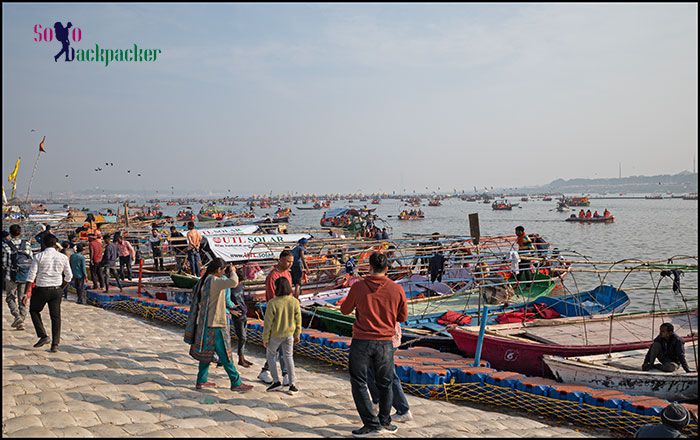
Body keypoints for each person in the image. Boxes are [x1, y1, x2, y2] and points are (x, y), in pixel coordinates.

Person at [340, 252, 408, 436]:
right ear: (387, 268)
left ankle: (371, 423)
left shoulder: (359, 287)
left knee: (359, 381)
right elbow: (402, 317)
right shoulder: (397, 289)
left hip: (362, 340)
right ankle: (385, 421)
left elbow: (344, 310)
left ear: (369, 267)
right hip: (385, 342)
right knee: (385, 383)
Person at [183, 258, 253, 393]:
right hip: (216, 322)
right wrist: (233, 271)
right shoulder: (214, 281)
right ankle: (236, 382)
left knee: (206, 354)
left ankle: (201, 380)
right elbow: (234, 282)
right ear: (218, 270)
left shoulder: (203, 280)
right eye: (223, 270)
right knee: (225, 354)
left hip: (205, 322)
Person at [24, 234, 72, 353]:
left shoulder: (39, 256)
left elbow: (31, 276)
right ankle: (55, 344)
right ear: (55, 244)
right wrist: (61, 287)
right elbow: (69, 276)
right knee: (55, 317)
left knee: (34, 310)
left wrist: (26, 293)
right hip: (56, 290)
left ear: (44, 244)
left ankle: (43, 335)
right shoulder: (63, 257)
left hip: (42, 289)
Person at [258, 250, 294, 384]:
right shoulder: (273, 276)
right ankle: (281, 373)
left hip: (287, 314)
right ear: (280, 260)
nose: (290, 264)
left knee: (281, 346)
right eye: (288, 261)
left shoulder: (287, 274)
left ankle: (271, 371)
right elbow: (272, 297)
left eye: (292, 262)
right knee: (278, 346)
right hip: (276, 314)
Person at [262, 277, 302, 394]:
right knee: (289, 357)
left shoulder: (273, 303)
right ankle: (292, 384)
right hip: (289, 334)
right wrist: (297, 334)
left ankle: (276, 381)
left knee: (270, 356)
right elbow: (298, 320)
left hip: (275, 335)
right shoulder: (294, 301)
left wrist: (265, 338)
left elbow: (268, 323)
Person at [366, 322, 412, 422]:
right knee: (370, 370)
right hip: (374, 336)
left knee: (388, 375)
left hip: (384, 338)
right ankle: (376, 401)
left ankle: (403, 410)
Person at [2, 224, 33, 331]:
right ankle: (22, 320)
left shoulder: (5, 245)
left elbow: (4, 264)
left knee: (10, 297)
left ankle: (17, 316)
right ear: (20, 233)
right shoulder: (27, 245)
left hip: (11, 276)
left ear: (10, 233)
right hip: (25, 275)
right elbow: (31, 260)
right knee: (22, 298)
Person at [224, 265, 252, 367]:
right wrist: (231, 311)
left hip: (243, 312)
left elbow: (242, 297)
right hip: (237, 314)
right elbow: (224, 301)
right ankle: (240, 358)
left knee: (244, 337)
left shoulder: (240, 285)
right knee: (242, 337)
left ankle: (242, 357)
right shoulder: (229, 288)